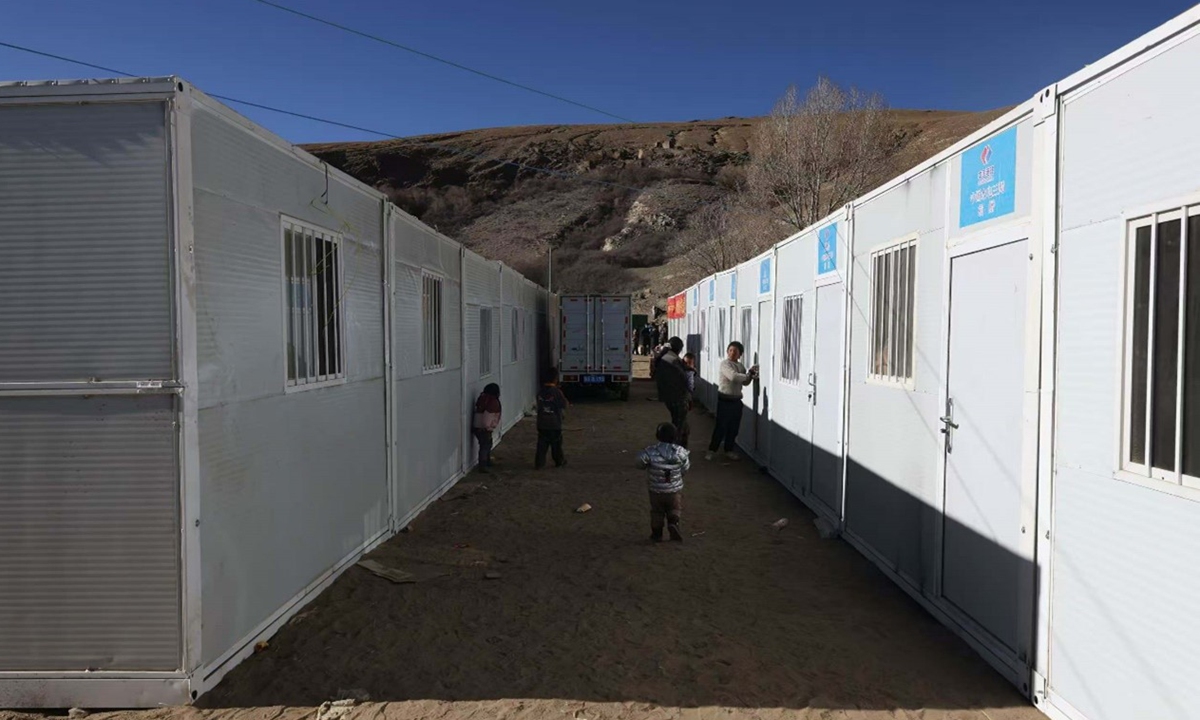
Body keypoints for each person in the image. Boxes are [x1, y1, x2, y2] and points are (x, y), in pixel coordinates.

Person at [637, 422, 690, 543]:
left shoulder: (650, 452)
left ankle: (657, 534)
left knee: (656, 511)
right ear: (675, 437)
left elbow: (639, 462)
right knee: (675, 508)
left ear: (657, 436)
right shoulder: (681, 452)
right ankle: (673, 523)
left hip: (655, 490)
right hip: (674, 490)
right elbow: (685, 468)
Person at [707, 341, 758, 461]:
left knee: (733, 427)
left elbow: (745, 382)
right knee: (721, 426)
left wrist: (750, 375)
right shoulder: (725, 364)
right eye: (730, 350)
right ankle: (712, 450)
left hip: (736, 401)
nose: (732, 353)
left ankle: (728, 450)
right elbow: (734, 377)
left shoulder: (740, 366)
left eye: (735, 351)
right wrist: (748, 375)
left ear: (740, 354)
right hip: (725, 400)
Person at [655, 337, 690, 448]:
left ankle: (679, 447)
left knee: (680, 424)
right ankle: (676, 449)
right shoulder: (672, 360)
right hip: (677, 397)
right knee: (679, 425)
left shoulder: (665, 357)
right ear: (679, 349)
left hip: (669, 397)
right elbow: (682, 378)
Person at [535, 368, 569, 469]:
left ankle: (539, 463)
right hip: (554, 423)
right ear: (555, 379)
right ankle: (559, 461)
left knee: (542, 445)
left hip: (542, 423)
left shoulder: (540, 392)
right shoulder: (557, 392)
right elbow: (564, 404)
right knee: (556, 444)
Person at [472, 383, 502, 473]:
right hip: (484, 428)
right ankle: (483, 465)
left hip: (477, 425)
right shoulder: (493, 402)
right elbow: (487, 417)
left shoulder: (483, 399)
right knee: (485, 446)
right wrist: (488, 427)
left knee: (486, 444)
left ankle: (486, 462)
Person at [680, 352, 698, 448]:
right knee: (683, 421)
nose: (687, 365)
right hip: (685, 398)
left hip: (680, 398)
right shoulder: (690, 373)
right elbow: (690, 386)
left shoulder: (680, 370)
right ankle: (683, 443)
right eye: (686, 363)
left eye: (689, 363)